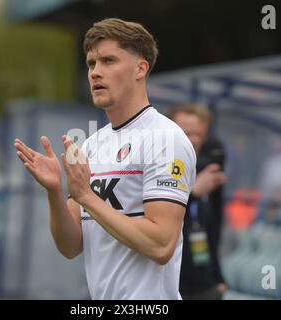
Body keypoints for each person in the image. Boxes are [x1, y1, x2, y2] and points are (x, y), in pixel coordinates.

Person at [14, 18, 196, 299]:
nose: (96, 73)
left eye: (109, 61)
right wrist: (54, 190)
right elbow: (70, 246)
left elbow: (161, 245)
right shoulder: (92, 144)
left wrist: (86, 197)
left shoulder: (165, 139)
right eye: (91, 64)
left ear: (140, 68)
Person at [167, 104, 227, 300]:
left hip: (203, 284)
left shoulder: (204, 169)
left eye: (198, 134)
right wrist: (193, 193)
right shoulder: (157, 166)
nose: (192, 140)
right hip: (170, 282)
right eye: (186, 133)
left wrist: (217, 276)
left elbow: (213, 227)